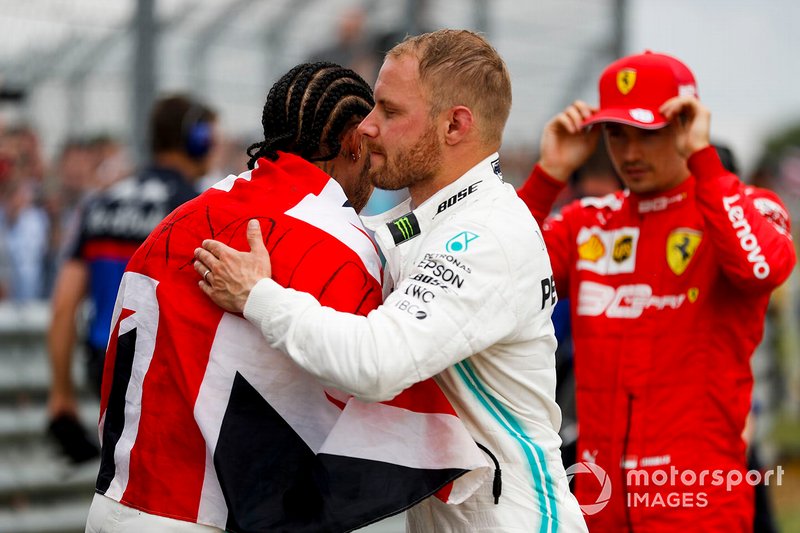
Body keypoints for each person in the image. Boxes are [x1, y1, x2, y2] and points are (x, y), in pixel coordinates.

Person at [195, 30, 588, 532]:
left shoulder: (485, 233)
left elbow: (378, 363)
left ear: (455, 125)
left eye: (389, 110)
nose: (367, 127)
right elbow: (364, 244)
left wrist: (258, 296)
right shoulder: (427, 219)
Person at [87, 62, 488, 533]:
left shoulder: (182, 216)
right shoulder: (343, 243)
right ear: (352, 142)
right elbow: (387, 379)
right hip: (207, 518)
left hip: (113, 504)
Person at [516, 51, 797, 531]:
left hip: (701, 508)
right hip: (596, 507)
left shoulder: (748, 209)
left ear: (686, 124)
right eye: (616, 134)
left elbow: (761, 270)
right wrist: (548, 176)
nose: (629, 154)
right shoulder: (588, 221)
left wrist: (704, 161)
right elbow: (496, 283)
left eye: (648, 133)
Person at [47, 95, 216, 463]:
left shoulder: (100, 203)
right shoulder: (198, 208)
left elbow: (63, 306)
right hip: (168, 371)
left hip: (104, 364)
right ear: (196, 140)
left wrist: (61, 393)